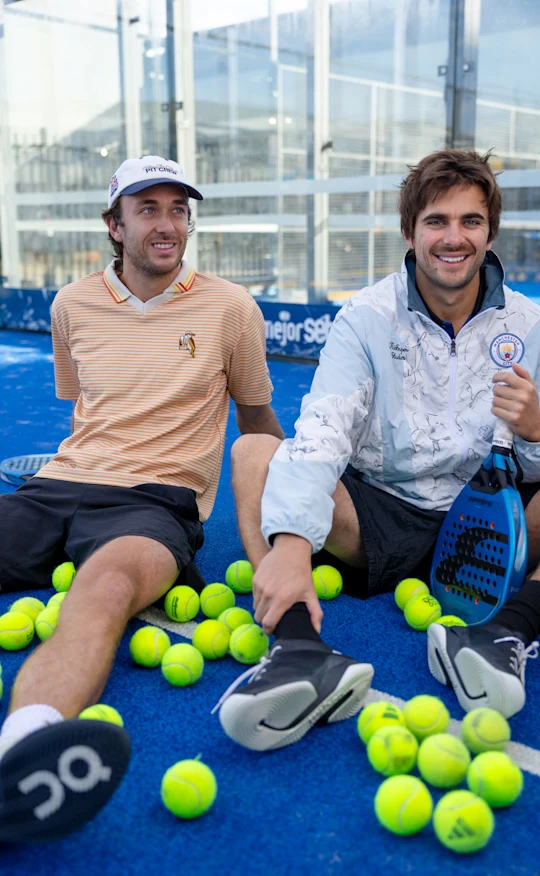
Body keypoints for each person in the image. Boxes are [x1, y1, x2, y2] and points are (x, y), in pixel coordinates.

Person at [217, 149, 540, 753]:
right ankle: (299, 649)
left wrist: (538, 429)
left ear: (490, 231)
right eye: (437, 221)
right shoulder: (364, 318)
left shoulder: (535, 325)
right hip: (376, 517)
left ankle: (503, 635)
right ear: (410, 233)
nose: (454, 238)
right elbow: (322, 432)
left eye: (470, 221)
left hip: (488, 526)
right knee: (255, 451)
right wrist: (288, 546)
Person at [0, 155, 283, 842]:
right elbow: (83, 409)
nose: (167, 224)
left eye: (178, 209)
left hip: (156, 503)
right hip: (60, 484)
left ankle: (20, 757)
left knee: (104, 588)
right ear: (114, 225)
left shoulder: (231, 309)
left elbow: (258, 422)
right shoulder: (72, 304)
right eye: (148, 209)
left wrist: (297, 508)